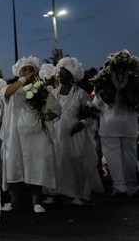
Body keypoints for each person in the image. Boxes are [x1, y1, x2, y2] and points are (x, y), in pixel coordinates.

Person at [0, 56, 60, 213]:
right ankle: (14, 202)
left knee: (36, 165)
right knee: (15, 165)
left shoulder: (43, 90)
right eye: (24, 69)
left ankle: (36, 202)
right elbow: (6, 93)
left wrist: (46, 116)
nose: (27, 72)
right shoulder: (13, 88)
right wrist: (24, 79)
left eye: (31, 69)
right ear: (19, 72)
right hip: (15, 135)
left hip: (36, 135)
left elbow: (56, 110)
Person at [50, 57, 103, 205]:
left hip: (75, 135)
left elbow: (91, 114)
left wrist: (82, 123)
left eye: (64, 72)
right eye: (59, 72)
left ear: (72, 76)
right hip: (56, 133)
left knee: (77, 162)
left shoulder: (81, 94)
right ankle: (58, 192)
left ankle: (79, 193)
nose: (60, 75)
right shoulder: (53, 93)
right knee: (58, 163)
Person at [92, 50, 139, 197]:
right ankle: (131, 185)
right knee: (130, 156)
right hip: (129, 124)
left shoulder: (104, 82)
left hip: (109, 125)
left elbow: (95, 104)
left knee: (113, 157)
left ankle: (119, 186)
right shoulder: (134, 81)